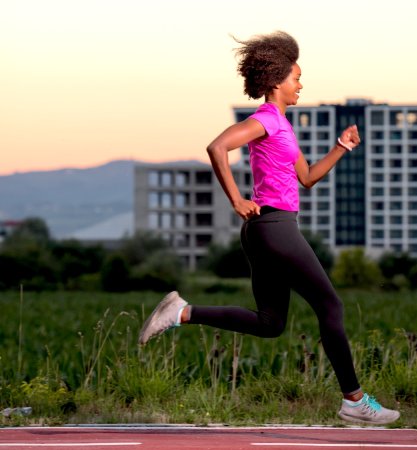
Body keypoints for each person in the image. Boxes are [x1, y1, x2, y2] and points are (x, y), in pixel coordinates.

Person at [138, 31, 399, 425]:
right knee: (330, 306)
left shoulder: (282, 127)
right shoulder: (264, 121)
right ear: (277, 81)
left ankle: (182, 312)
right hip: (274, 227)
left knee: (271, 323)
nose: (300, 85)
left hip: (265, 231)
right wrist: (236, 199)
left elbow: (307, 177)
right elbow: (218, 147)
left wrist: (342, 147)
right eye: (296, 78)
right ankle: (354, 400)